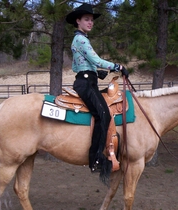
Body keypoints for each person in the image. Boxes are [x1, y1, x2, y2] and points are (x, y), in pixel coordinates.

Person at [66, 3, 129, 176]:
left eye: (92, 20)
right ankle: (94, 159)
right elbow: (97, 59)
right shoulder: (81, 39)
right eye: (86, 19)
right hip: (85, 85)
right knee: (104, 115)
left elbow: (76, 65)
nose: (90, 22)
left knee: (104, 110)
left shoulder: (80, 39)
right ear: (78, 21)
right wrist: (118, 66)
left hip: (87, 81)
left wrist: (94, 72)